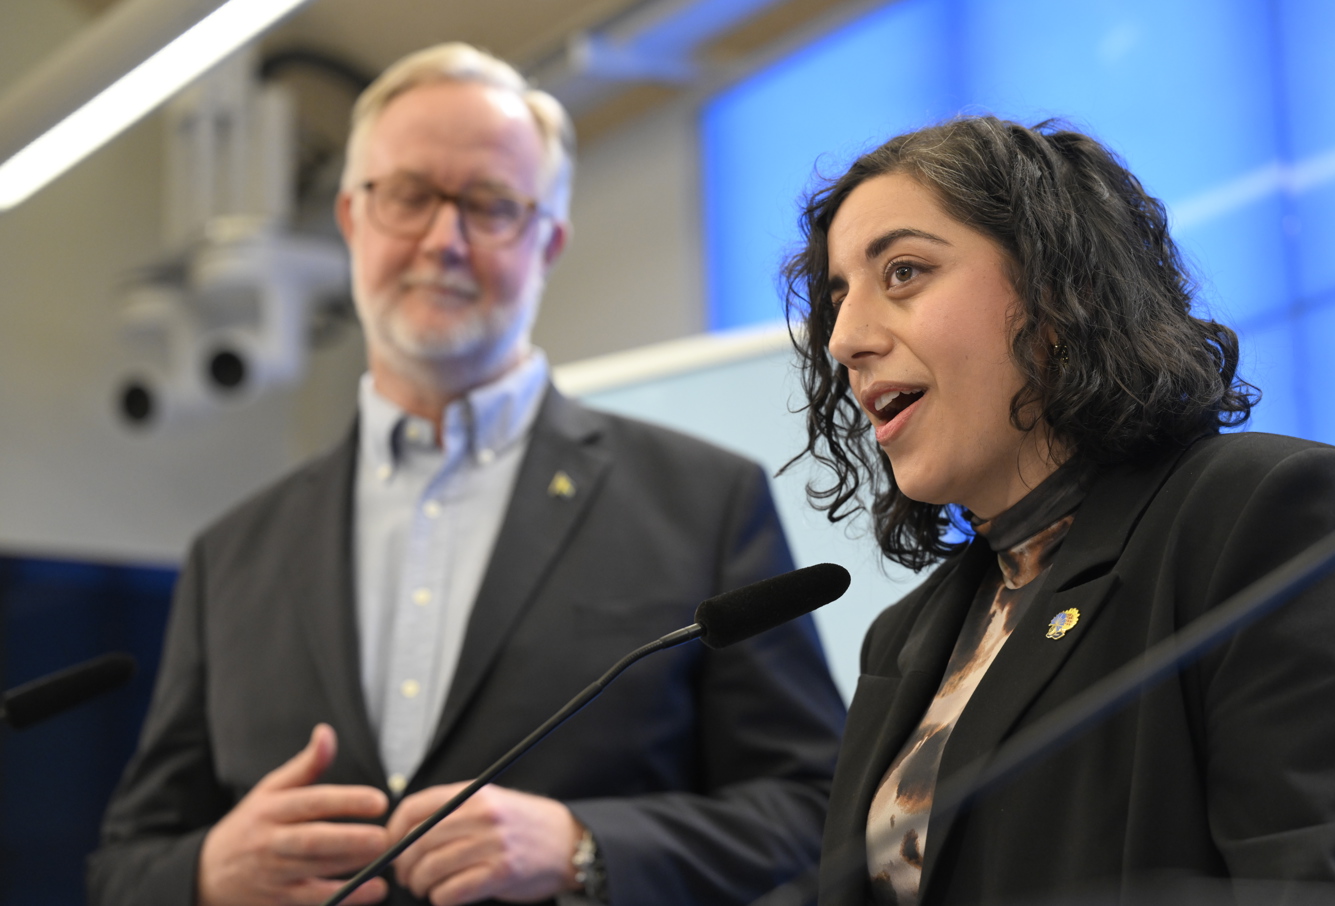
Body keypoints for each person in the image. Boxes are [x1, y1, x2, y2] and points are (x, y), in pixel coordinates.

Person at [88, 42, 845, 906]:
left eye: (490, 206)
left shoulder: (705, 504)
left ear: (548, 242)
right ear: (352, 218)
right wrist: (205, 873)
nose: (443, 241)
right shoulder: (231, 555)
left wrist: (587, 847)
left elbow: (818, 810)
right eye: (409, 195)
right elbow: (121, 867)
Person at [781, 116, 1335, 905]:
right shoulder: (903, 637)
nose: (845, 339)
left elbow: (1315, 877)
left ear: (1059, 289)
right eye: (838, 298)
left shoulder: (1261, 516)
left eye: (904, 272)